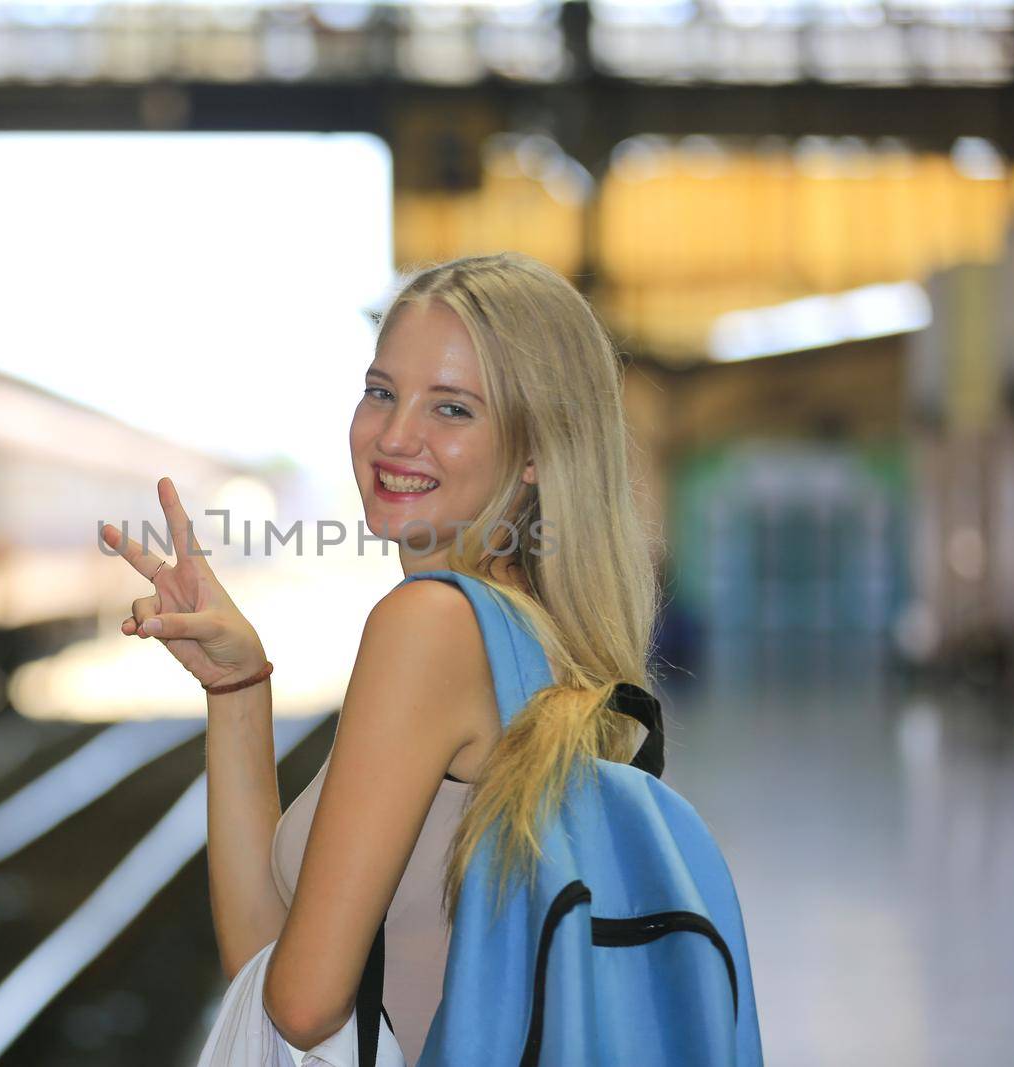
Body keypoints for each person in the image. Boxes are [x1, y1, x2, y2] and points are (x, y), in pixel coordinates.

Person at [99, 250, 658, 1064]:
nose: (396, 436)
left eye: (454, 409)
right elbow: (264, 959)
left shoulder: (429, 626)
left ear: (537, 450)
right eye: (380, 392)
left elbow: (298, 1003)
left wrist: (302, 974)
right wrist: (239, 687)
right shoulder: (541, 639)